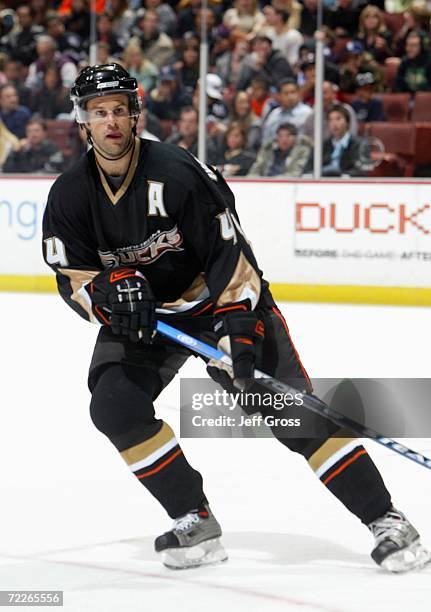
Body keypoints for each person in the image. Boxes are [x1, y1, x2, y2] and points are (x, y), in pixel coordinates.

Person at [42, 63, 429, 573]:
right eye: (98, 112)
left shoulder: (178, 172)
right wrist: (109, 295)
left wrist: (238, 330)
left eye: (119, 110)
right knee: (114, 405)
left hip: (221, 302)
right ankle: (193, 520)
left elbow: (231, 256)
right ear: (83, 121)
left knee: (290, 412)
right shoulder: (70, 194)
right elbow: (71, 275)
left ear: (135, 115)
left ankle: (388, 519)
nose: (110, 121)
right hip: (152, 320)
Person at [260, 78, 312, 144]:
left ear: (299, 93)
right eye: (286, 93)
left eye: (293, 92)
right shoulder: (274, 115)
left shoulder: (307, 113)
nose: (290, 97)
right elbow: (266, 140)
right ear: (279, 96)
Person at [321, 105, 366, 177]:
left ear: (347, 122)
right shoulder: (323, 145)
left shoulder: (360, 144)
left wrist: (341, 175)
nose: (334, 124)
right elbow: (309, 169)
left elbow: (362, 171)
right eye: (330, 120)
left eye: (338, 119)